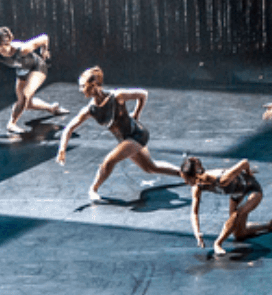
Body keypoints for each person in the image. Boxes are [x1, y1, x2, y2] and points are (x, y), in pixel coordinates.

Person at [56, 67, 182, 201]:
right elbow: (69, 128)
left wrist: (137, 114)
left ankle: (93, 189)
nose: (80, 90)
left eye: (83, 86)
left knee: (109, 161)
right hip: (125, 140)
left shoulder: (117, 96)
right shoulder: (90, 110)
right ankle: (186, 174)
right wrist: (62, 149)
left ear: (93, 85)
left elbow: (143, 94)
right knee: (150, 167)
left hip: (137, 134)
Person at [179, 157, 272, 255]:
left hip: (252, 190)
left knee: (236, 215)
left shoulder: (222, 178)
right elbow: (194, 212)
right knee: (239, 234)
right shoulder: (197, 187)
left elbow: (244, 162)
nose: (185, 182)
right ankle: (269, 225)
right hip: (236, 194)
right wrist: (197, 232)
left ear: (195, 176)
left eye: (187, 179)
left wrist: (249, 173)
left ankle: (218, 243)